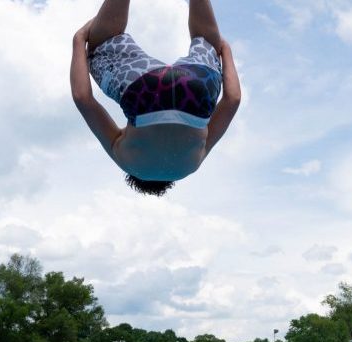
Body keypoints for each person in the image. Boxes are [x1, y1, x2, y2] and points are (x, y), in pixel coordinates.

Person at [72, 0, 241, 196]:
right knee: (102, 46)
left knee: (206, 40)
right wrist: (79, 39)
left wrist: (222, 50)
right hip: (144, 91)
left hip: (197, 90)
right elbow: (83, 99)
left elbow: (233, 99)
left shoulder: (193, 164)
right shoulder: (126, 161)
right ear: (134, 178)